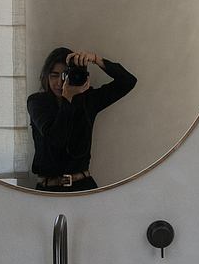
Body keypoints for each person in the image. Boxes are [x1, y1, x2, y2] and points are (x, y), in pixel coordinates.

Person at [26, 47, 137, 190]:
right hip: (48, 189)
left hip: (82, 186)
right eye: (54, 75)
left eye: (65, 75)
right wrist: (68, 97)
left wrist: (96, 59)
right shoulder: (37, 102)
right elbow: (56, 139)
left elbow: (128, 81)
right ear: (45, 76)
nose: (60, 83)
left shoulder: (88, 100)